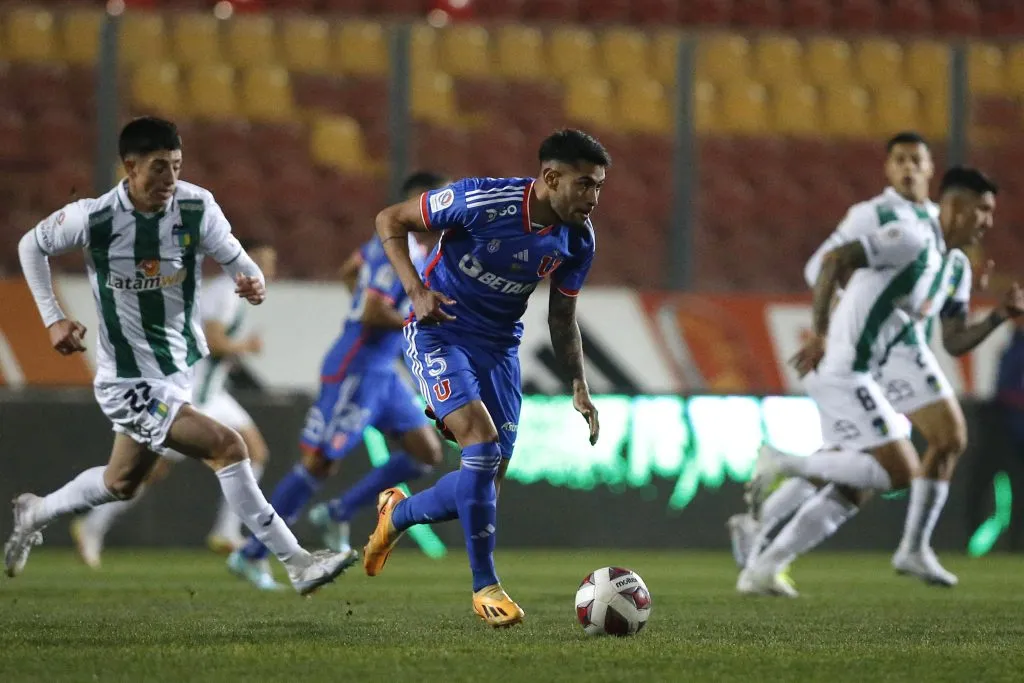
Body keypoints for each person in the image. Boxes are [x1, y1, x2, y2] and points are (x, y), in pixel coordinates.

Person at [5, 116, 353, 595]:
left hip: (177, 371)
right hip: (128, 380)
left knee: (121, 482)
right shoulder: (94, 218)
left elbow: (235, 257)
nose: (170, 178)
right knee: (230, 447)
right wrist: (53, 319)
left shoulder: (195, 206)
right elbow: (31, 245)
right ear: (129, 167)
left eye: (176, 165)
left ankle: (36, 510)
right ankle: (298, 563)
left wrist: (251, 280)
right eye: (158, 167)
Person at [362, 129, 607, 628]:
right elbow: (390, 218)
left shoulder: (578, 239)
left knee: (485, 486)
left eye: (599, 187)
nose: (593, 198)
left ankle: (398, 514)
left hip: (500, 350)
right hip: (440, 332)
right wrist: (416, 290)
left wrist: (579, 384)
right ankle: (485, 589)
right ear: (551, 178)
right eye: (584, 185)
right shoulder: (480, 201)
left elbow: (562, 317)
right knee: (482, 444)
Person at [739, 166, 1023, 596]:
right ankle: (783, 462)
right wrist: (821, 332)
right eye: (982, 210)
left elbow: (954, 340)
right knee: (902, 469)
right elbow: (834, 260)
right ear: (955, 206)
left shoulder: (954, 266)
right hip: (842, 368)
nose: (988, 221)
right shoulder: (911, 239)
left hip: (868, 375)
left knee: (857, 484)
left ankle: (765, 565)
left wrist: (999, 316)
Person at [226, 172, 447, 591]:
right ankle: (251, 553)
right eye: (435, 199)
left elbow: (351, 270)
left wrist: (377, 309)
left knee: (425, 451)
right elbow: (370, 311)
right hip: (355, 366)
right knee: (320, 462)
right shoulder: (400, 249)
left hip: (382, 370)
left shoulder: (404, 250)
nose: (443, 209)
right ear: (414, 203)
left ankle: (338, 512)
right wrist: (417, 317)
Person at [68, 239, 279, 567]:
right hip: (193, 396)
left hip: (213, 394)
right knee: (148, 470)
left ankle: (226, 531)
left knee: (256, 452)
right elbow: (214, 341)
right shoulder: (224, 293)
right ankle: (94, 524)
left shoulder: (231, 294)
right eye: (261, 261)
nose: (267, 269)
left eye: (270, 263)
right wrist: (245, 348)